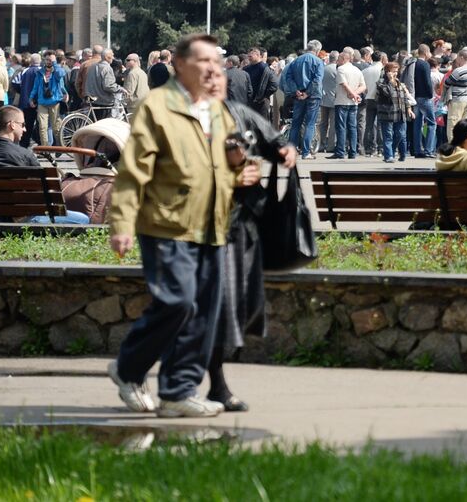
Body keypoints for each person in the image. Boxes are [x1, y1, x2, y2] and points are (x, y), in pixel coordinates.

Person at [107, 33, 259, 419]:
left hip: (212, 224)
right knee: (178, 301)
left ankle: (177, 392)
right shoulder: (156, 107)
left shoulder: (218, 109)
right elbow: (133, 171)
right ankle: (127, 368)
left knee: (203, 311)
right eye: (204, 61)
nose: (213, 68)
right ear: (179, 64)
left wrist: (240, 170)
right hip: (166, 223)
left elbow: (223, 163)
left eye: (217, 61)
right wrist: (122, 223)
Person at [205, 63, 296, 413]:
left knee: (236, 308)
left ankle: (205, 383)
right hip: (201, 230)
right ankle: (202, 384)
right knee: (210, 309)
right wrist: (229, 178)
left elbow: (275, 142)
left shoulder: (239, 114)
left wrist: (286, 151)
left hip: (241, 228)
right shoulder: (182, 123)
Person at [281, 41, 325, 159]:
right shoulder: (318, 62)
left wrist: (296, 90)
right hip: (313, 96)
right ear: (318, 50)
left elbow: (288, 77)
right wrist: (307, 93)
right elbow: (317, 80)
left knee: (296, 123)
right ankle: (306, 152)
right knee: (310, 124)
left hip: (298, 95)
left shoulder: (296, 61)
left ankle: (291, 151)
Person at [29, 54, 68, 148]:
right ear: (44, 60)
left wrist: (55, 63)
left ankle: (60, 146)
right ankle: (46, 148)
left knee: (56, 127)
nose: (48, 61)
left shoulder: (56, 71)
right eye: (47, 60)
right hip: (42, 102)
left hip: (55, 102)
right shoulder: (40, 72)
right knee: (42, 127)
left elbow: (61, 74)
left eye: (50, 60)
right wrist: (31, 98)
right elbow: (35, 87)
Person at [375, 62, 409, 163]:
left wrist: (408, 108)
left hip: (400, 112)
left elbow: (404, 96)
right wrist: (390, 81)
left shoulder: (399, 82)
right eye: (393, 71)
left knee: (400, 134)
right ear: (387, 72)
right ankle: (388, 156)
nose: (395, 73)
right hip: (387, 112)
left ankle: (394, 152)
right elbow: (388, 93)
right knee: (388, 135)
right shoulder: (381, 83)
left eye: (396, 71)